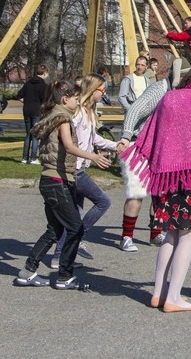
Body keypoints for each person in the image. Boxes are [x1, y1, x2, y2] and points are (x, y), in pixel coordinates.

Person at [120, 64, 191, 312]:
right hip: (184, 183)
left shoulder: (169, 98)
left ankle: (158, 293)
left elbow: (151, 134)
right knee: (187, 236)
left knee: (170, 234)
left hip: (161, 178)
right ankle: (173, 297)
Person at [13, 80, 111, 290]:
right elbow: (68, 146)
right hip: (57, 181)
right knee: (75, 228)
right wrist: (93, 156)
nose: (78, 101)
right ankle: (64, 275)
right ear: (65, 99)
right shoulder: (63, 119)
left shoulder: (50, 115)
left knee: (54, 230)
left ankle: (27, 272)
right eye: (76, 98)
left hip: (49, 180)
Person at [114, 66, 188, 252]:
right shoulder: (159, 89)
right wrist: (126, 135)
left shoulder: (176, 94)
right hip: (137, 144)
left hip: (158, 147)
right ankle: (126, 237)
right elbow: (135, 110)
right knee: (137, 193)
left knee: (160, 192)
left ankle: (155, 234)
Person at [50, 74, 117, 268]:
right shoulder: (78, 113)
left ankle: (59, 257)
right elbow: (70, 142)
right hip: (74, 169)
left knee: (75, 213)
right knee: (103, 201)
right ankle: (79, 236)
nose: (103, 94)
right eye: (102, 90)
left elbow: (94, 138)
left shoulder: (89, 112)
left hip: (79, 168)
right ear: (93, 89)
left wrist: (116, 146)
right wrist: (93, 157)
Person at [17, 64, 49, 164]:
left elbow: (19, 95)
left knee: (28, 135)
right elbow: (46, 100)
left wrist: (26, 102)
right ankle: (34, 158)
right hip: (36, 111)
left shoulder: (28, 83)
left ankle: (24, 158)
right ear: (45, 73)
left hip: (26, 110)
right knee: (35, 134)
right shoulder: (43, 85)